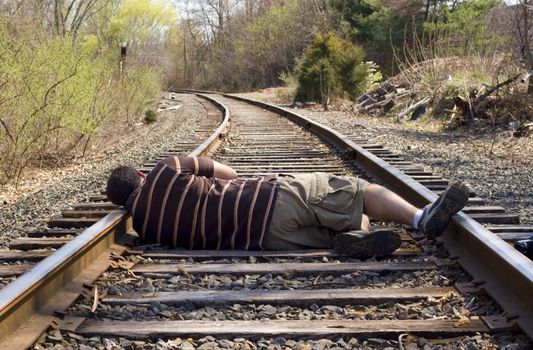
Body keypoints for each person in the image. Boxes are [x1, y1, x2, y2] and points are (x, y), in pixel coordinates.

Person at [106, 155, 469, 258]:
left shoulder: (146, 229)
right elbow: (228, 173)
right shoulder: (164, 170)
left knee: (338, 221)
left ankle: (356, 235)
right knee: (354, 190)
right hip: (268, 201)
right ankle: (423, 219)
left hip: (266, 241)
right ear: (140, 175)